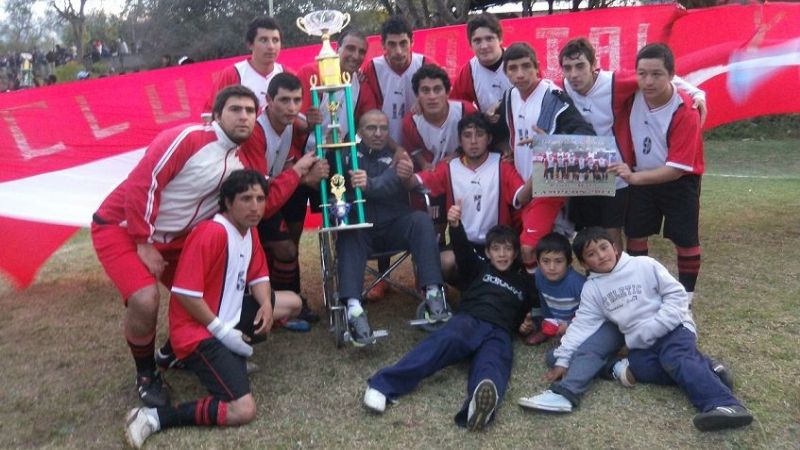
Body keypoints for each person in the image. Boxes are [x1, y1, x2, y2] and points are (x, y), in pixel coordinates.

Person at [91, 85, 260, 408]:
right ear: (216, 114)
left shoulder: (237, 163)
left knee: (212, 290)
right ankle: (146, 373)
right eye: (235, 109)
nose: (243, 117)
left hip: (174, 239)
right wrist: (142, 241)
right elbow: (144, 182)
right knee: (145, 299)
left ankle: (176, 352)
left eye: (250, 111)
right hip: (122, 227)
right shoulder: (187, 138)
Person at [124, 170, 301, 449]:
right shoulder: (211, 232)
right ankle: (153, 417)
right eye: (246, 198)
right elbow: (185, 293)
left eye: (260, 198)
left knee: (292, 302)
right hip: (198, 330)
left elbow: (259, 277)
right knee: (243, 409)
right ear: (228, 202)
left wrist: (266, 304)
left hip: (226, 313)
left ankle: (182, 358)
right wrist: (223, 333)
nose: (255, 206)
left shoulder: (249, 231)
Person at [519, 227, 753, 431]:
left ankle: (724, 404)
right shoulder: (592, 290)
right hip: (641, 343)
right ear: (583, 263)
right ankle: (709, 370)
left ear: (614, 246)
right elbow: (582, 326)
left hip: (673, 328)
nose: (600, 256)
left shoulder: (643, 265)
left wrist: (658, 325)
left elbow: (677, 295)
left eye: (603, 247)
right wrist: (562, 358)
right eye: (591, 254)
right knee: (639, 370)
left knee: (675, 358)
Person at [363, 222, 538, 431]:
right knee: (441, 343)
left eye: (508, 249)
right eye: (496, 249)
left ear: (516, 253)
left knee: (495, 364)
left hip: (500, 331)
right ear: (488, 253)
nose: (502, 254)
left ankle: (478, 405)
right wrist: (455, 226)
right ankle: (383, 385)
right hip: (470, 320)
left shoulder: (524, 283)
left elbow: (531, 310)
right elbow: (463, 251)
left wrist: (526, 325)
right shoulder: (479, 268)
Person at [557, 37, 707, 250]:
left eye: (580, 66)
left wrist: (696, 93)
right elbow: (530, 87)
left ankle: (618, 278)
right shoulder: (560, 88)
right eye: (567, 68)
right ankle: (595, 280)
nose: (573, 74)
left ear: (594, 65)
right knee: (587, 234)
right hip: (582, 170)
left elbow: (656, 75)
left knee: (611, 233)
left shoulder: (614, 82)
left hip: (614, 172)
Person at [335, 110, 450, 346]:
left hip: (395, 225)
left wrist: (370, 184)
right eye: (371, 128)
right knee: (348, 232)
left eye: (383, 128)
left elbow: (391, 183)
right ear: (359, 131)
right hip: (362, 230)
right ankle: (354, 309)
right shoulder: (347, 155)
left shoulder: (399, 156)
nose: (378, 134)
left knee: (420, 219)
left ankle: (434, 293)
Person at [611, 43, 705, 303]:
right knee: (636, 233)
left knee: (685, 239)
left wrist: (632, 178)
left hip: (679, 181)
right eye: (642, 74)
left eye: (657, 74)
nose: (648, 81)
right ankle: (640, 290)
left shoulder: (686, 111)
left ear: (672, 75)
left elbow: (676, 170)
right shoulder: (632, 93)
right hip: (641, 176)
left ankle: (685, 297)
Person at [490, 42, 595, 271]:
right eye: (513, 68)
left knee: (530, 247)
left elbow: (588, 138)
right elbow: (502, 130)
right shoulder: (509, 96)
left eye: (526, 66)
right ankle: (535, 292)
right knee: (523, 246)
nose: (520, 74)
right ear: (506, 72)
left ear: (537, 67)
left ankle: (540, 302)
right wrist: (504, 145)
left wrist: (550, 143)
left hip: (550, 182)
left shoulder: (554, 97)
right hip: (521, 181)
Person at [399, 113, 533, 286]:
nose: (474, 141)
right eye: (467, 135)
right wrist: (405, 174)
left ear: (489, 138)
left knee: (523, 252)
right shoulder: (448, 167)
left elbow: (522, 197)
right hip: (463, 244)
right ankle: (468, 289)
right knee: (443, 262)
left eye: (480, 135)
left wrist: (539, 171)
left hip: (499, 245)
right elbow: (413, 183)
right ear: (460, 141)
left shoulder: (502, 165)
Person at [239, 73, 328, 324]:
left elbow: (303, 130)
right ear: (268, 100)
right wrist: (301, 175)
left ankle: (292, 300)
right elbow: (258, 185)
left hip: (279, 189)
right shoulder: (256, 132)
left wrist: (312, 125)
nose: (291, 107)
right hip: (257, 199)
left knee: (290, 247)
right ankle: (281, 309)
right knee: (285, 249)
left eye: (296, 100)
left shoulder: (294, 121)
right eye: (284, 100)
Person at [358, 16, 436, 144]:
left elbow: (447, 99)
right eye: (392, 44)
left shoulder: (426, 65)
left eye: (403, 43)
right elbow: (367, 115)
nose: (398, 51)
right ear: (383, 44)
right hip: (385, 147)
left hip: (423, 147)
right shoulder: (372, 69)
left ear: (412, 42)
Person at [402, 64, 478, 171]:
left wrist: (457, 156)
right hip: (432, 176)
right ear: (417, 95)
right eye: (425, 90)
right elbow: (414, 149)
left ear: (447, 93)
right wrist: (423, 163)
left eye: (437, 90)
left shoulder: (466, 111)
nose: (432, 96)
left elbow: (481, 144)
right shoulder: (411, 122)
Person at [205, 16, 285, 112]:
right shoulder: (232, 74)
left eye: (275, 40)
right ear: (250, 44)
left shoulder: (287, 74)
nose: (271, 46)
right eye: (264, 40)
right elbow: (210, 114)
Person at [520, 232, 586, 345]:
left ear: (569, 262)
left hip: (578, 324)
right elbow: (544, 301)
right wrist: (547, 322)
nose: (551, 267)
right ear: (538, 262)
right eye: (545, 261)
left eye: (558, 261)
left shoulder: (578, 283)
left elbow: (589, 312)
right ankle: (545, 331)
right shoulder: (539, 276)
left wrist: (570, 325)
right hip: (556, 320)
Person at [450, 13, 511, 113]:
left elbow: (540, 94)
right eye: (477, 41)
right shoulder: (468, 72)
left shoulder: (519, 59)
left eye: (489, 39)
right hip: (489, 127)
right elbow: (454, 108)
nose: (484, 46)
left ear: (500, 39)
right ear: (470, 44)